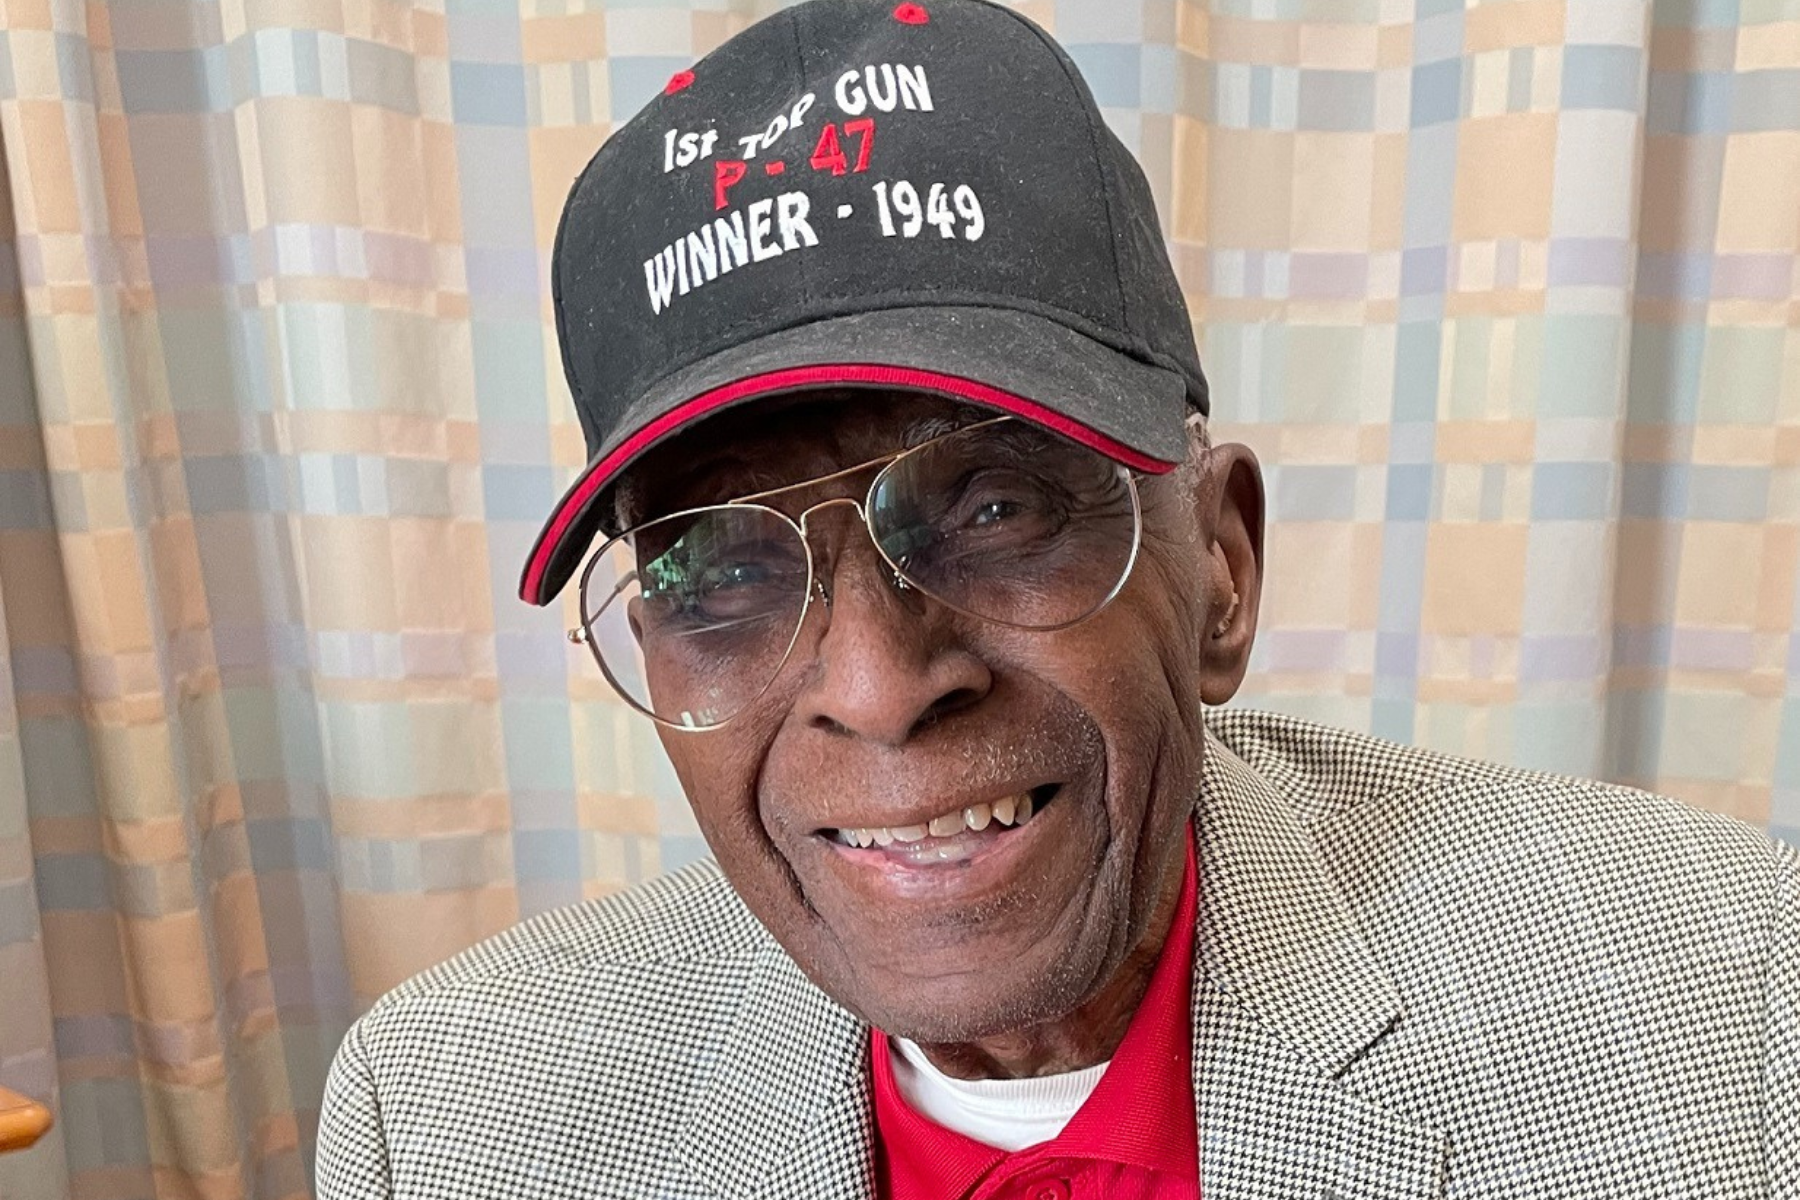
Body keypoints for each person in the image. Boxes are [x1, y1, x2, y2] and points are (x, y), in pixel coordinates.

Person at [314, 0, 1799, 1195]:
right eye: (725, 569)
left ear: (1220, 566)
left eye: (996, 508)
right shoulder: (446, 1124)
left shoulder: (1734, 1025)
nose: (880, 683)